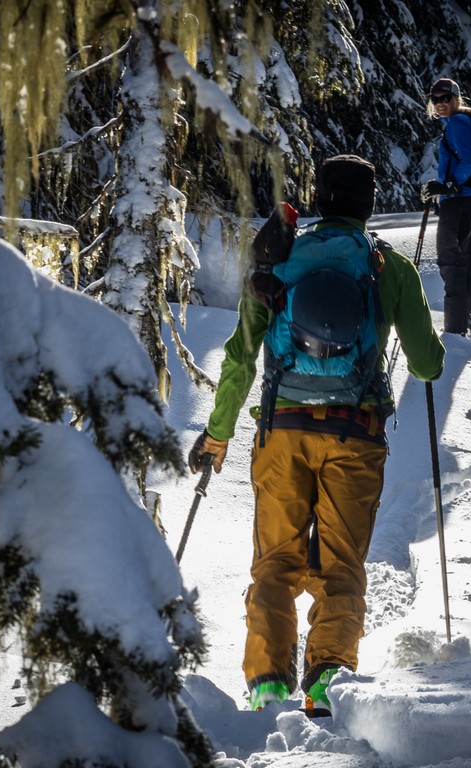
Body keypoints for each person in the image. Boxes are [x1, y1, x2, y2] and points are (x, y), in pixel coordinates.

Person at [188, 154, 445, 713]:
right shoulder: (390, 266)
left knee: (274, 562)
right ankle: (327, 681)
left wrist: (218, 433)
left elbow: (240, 355)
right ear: (369, 204)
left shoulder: (279, 259)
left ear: (320, 200)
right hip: (356, 435)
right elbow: (427, 365)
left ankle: (267, 685)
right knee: (340, 565)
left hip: (282, 433)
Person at [420, 77, 471, 341]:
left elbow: (469, 161)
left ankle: (455, 335)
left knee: (453, 265)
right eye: (435, 99)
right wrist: (444, 188)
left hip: (460, 204)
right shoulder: (468, 121)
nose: (440, 103)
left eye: (446, 98)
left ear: (456, 98)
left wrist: (449, 186)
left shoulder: (458, 122)